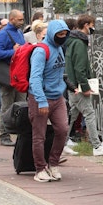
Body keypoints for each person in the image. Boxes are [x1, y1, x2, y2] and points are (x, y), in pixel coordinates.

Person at [65, 14, 103, 156]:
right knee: (89, 113)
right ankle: (96, 145)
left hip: (71, 84)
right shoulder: (80, 43)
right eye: (92, 25)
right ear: (86, 25)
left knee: (73, 114)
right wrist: (85, 87)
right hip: (78, 86)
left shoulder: (71, 41)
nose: (93, 28)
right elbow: (80, 68)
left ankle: (61, 143)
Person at [28, 20, 71, 182]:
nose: (62, 37)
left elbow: (60, 74)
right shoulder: (41, 51)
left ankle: (53, 163)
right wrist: (41, 100)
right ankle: (40, 168)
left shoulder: (59, 48)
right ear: (52, 34)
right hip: (40, 98)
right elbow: (35, 78)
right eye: (59, 35)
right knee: (39, 136)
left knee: (62, 129)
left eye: (64, 35)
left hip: (57, 97)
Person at [0, 9, 26, 146]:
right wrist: (13, 51)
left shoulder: (19, 32)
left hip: (20, 74)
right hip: (8, 75)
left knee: (22, 105)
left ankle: (20, 133)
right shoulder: (3, 34)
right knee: (7, 105)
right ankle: (4, 134)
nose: (22, 22)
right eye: (19, 19)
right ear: (11, 19)